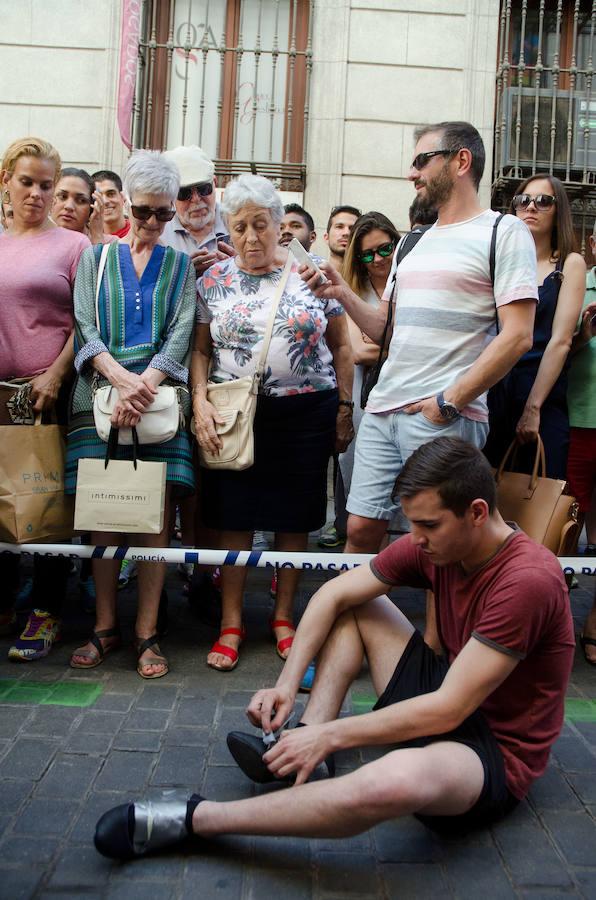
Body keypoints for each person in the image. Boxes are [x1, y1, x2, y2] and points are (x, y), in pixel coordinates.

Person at [94, 437, 575, 860]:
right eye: (410, 525)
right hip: (446, 694)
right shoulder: (437, 544)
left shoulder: (526, 580)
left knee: (393, 781)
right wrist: (286, 686)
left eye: (428, 525)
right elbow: (332, 593)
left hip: (489, 752)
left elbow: (449, 710)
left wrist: (340, 735)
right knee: (355, 599)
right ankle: (306, 735)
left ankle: (196, 817)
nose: (416, 539)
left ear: (475, 512)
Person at [303, 121, 539, 557]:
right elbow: (385, 330)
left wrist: (447, 402)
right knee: (359, 531)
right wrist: (340, 291)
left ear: (460, 161)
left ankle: (437, 631)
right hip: (381, 409)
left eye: (421, 161)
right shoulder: (412, 242)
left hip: (443, 415)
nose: (412, 174)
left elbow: (519, 337)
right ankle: (356, 626)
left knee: (442, 545)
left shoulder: (503, 231)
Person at [192, 174, 354, 671]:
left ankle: (285, 619)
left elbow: (343, 346)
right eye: (238, 228)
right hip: (235, 412)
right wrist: (199, 401)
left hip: (307, 411)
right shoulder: (211, 282)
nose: (250, 238)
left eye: (260, 225)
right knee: (233, 519)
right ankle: (232, 622)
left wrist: (345, 407)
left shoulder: (312, 273)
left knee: (295, 518)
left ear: (279, 225)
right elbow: (200, 351)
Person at [65, 149, 196, 679]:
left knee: (155, 524)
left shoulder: (182, 265)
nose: (153, 223)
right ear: (125, 205)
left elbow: (183, 330)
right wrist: (119, 380)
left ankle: (146, 631)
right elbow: (83, 326)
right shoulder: (94, 259)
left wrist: (144, 385)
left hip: (157, 400)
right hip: (100, 395)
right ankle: (103, 626)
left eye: (165, 214)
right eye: (145, 211)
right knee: (102, 519)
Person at [0, 137, 90, 659]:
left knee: (49, 505)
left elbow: (85, 324)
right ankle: (4, 602)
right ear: (6, 183)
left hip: (45, 396)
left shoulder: (72, 247)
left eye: (45, 185)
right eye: (27, 182)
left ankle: (47, 613)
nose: (36, 193)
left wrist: (55, 375)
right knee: (1, 500)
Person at [484, 175, 586, 478]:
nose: (531, 207)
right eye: (523, 200)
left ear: (558, 211)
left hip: (540, 389)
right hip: (492, 387)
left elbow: (560, 341)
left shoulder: (569, 264)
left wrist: (533, 407)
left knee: (539, 495)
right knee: (485, 495)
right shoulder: (499, 261)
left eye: (543, 201)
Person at [320, 212, 401, 549]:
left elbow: (376, 346)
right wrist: (395, 342)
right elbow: (354, 351)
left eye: (385, 249)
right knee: (363, 487)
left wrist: (379, 343)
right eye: (367, 254)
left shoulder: (408, 282)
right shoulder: (352, 289)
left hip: (404, 397)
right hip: (362, 398)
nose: (378, 259)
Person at [566, 220, 596, 663]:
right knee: (565, 527)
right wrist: (581, 337)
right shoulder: (577, 285)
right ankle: (552, 623)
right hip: (577, 421)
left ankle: (593, 625)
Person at [161, 144, 233, 276]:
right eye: (184, 193)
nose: (196, 199)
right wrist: (183, 275)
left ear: (214, 183)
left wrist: (241, 266)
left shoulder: (237, 222)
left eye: (203, 189)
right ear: (170, 195)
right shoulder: (158, 233)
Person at [52, 167, 114, 246]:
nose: (69, 206)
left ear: (92, 208)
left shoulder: (112, 245)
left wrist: (97, 238)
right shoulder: (34, 237)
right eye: (63, 197)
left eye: (81, 200)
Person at [91, 169, 130, 238]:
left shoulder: (137, 234)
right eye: (98, 196)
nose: (105, 201)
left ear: (122, 197)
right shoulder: (86, 238)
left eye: (111, 194)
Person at [323, 205, 360, 270]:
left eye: (352, 228)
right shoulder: (312, 276)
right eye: (339, 227)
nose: (346, 233)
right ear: (326, 237)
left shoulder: (372, 279)